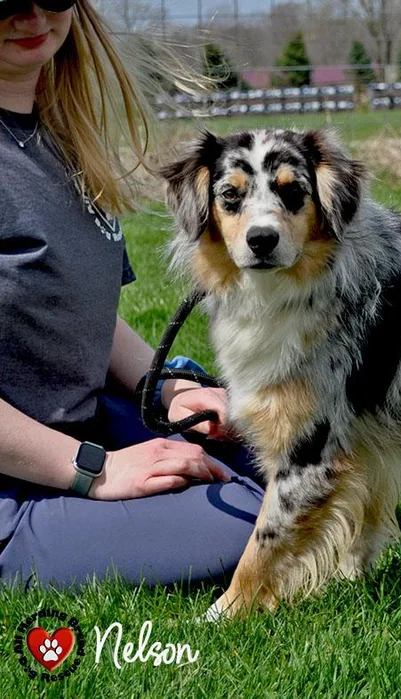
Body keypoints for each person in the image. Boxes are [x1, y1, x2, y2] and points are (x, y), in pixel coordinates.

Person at [0, 0, 266, 589]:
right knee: (265, 522)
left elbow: (86, 315)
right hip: (19, 487)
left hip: (89, 425)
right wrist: (95, 471)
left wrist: (165, 390)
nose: (33, 15)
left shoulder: (55, 136)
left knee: (305, 454)